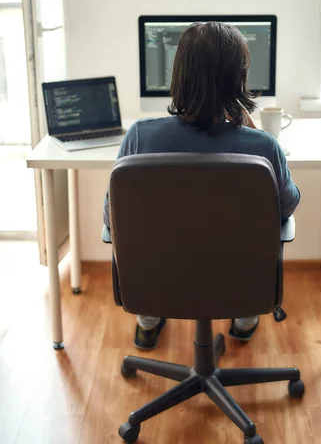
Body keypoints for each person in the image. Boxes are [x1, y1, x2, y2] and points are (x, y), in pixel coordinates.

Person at [103, 22, 300, 350]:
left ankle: (149, 320)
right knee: (246, 260)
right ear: (239, 78)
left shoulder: (138, 137)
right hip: (238, 282)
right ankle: (245, 318)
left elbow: (112, 218)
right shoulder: (264, 148)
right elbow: (288, 207)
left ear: (178, 75)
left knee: (150, 246)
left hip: (160, 283)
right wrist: (253, 131)